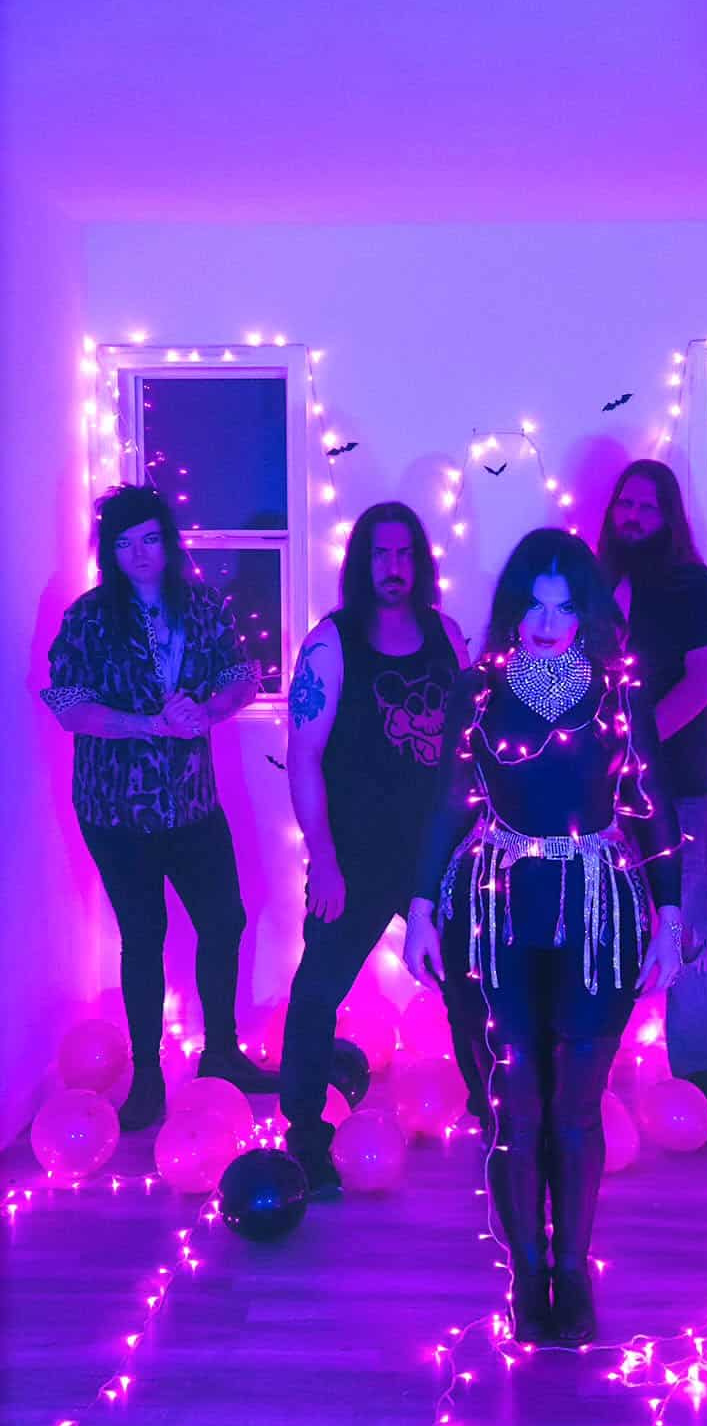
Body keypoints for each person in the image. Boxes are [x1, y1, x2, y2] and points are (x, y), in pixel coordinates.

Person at [404, 529, 683, 1347]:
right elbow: (448, 800)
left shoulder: (617, 690)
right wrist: (419, 909)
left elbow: (650, 804)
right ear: (513, 608)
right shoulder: (478, 690)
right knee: (514, 1107)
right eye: (535, 604)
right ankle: (528, 1278)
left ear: (587, 611)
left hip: (597, 912)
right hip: (496, 912)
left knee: (576, 1108)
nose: (549, 622)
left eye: (565, 606)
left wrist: (670, 917)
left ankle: (573, 1273)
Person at [41, 484, 275, 1131]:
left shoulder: (202, 605)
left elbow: (241, 674)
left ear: (167, 542)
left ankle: (221, 1053)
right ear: (109, 553)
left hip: (193, 802)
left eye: (149, 539)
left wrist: (208, 710)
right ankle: (147, 1076)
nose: (139, 554)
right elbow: (68, 706)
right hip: (116, 810)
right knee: (144, 936)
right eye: (124, 544)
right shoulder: (88, 618)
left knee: (225, 920)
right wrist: (146, 724)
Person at [280, 502, 470, 1197]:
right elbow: (303, 757)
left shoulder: (447, 637)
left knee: (472, 989)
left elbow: (466, 748)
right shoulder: (330, 644)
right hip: (353, 856)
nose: (393, 566)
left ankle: (495, 1113)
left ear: (419, 562)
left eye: (404, 553)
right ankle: (305, 1136)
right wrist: (324, 859)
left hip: (436, 856)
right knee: (317, 992)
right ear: (362, 562)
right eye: (380, 553)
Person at [597, 460, 707, 1137]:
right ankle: (586, 1078)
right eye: (625, 504)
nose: (633, 516)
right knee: (601, 931)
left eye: (647, 507)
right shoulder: (594, 587)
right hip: (600, 800)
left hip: (678, 792)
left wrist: (637, 746)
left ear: (668, 516)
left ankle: (703, 1081)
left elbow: (703, 681)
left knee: (691, 935)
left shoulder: (692, 585)